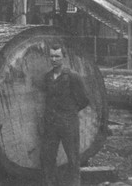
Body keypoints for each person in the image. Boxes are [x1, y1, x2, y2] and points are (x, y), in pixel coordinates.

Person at [40, 44, 89, 186]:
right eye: (51, 56)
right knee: (47, 157)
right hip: (51, 124)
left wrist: (69, 112)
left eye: (57, 56)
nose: (54, 59)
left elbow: (84, 100)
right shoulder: (48, 77)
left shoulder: (73, 77)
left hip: (68, 124)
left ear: (64, 58)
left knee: (73, 158)